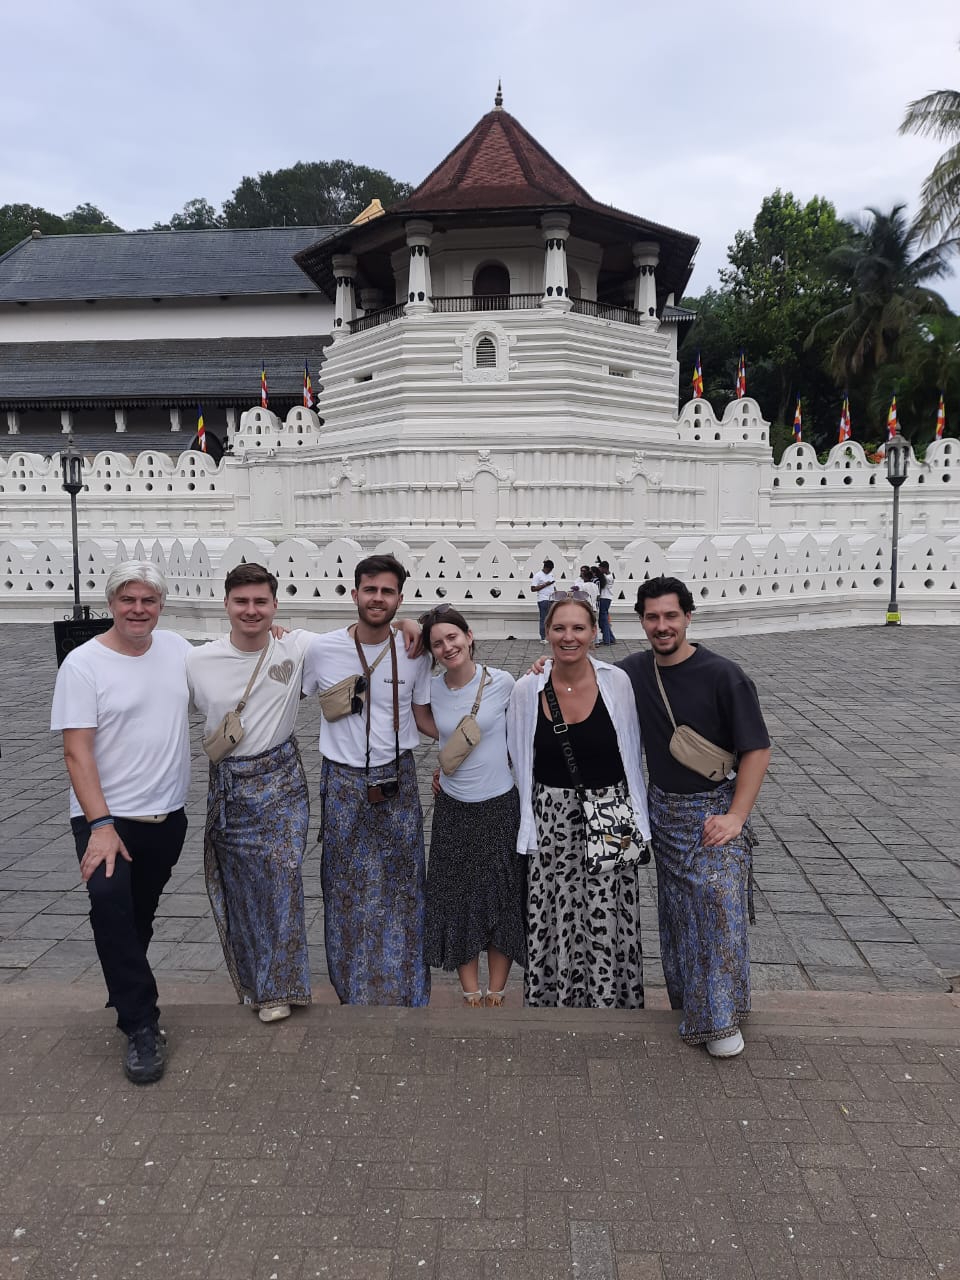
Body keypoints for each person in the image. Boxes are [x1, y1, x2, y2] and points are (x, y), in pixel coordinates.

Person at [50, 562, 191, 1085]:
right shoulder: (83, 665)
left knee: (137, 915)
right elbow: (75, 751)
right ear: (112, 603)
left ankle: (126, 987)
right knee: (110, 908)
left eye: (148, 601)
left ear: (160, 606)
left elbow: (232, 662)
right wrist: (101, 825)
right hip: (104, 818)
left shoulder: (177, 649)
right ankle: (140, 1025)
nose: (138, 610)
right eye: (128, 600)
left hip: (165, 814)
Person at [619, 576, 771, 1058]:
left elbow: (757, 750)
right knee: (680, 917)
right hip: (664, 811)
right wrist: (544, 666)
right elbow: (582, 676)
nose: (661, 626)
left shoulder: (724, 675)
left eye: (670, 616)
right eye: (652, 617)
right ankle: (699, 1006)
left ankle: (720, 1018)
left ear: (688, 616)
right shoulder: (635, 673)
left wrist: (736, 817)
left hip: (712, 812)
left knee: (720, 913)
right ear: (641, 621)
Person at [301, 555, 434, 1006]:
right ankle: (352, 992)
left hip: (397, 777)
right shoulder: (320, 649)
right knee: (344, 888)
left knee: (405, 886)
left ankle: (408, 991)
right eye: (370, 589)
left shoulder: (416, 652)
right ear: (354, 593)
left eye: (388, 591)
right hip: (341, 781)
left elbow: (427, 711)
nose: (378, 598)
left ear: (400, 598)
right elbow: (273, 659)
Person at [508, 594, 651, 1008]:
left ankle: (611, 1005)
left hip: (609, 818)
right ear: (546, 633)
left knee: (608, 915)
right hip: (550, 819)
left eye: (578, 628)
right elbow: (514, 753)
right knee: (554, 917)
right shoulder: (525, 690)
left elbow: (633, 749)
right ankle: (554, 1007)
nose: (568, 637)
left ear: (594, 632)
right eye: (559, 628)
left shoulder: (616, 682)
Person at [185, 563, 313, 1024]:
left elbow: (361, 639)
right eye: (242, 602)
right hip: (229, 791)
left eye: (261, 602)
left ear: (276, 605)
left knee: (281, 881)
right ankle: (258, 984)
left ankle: (281, 987)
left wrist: (406, 623)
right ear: (226, 605)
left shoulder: (296, 648)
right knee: (240, 891)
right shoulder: (197, 661)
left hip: (281, 786)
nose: (252, 610)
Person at [419, 605, 526, 1007]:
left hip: (500, 804)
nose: (448, 647)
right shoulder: (430, 689)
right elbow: (427, 723)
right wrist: (448, 760)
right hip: (454, 807)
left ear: (469, 636)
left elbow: (521, 729)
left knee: (501, 896)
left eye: (453, 637)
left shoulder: (503, 682)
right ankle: (469, 990)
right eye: (437, 643)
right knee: (456, 896)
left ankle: (497, 988)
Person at [530, 558, 556, 641]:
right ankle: (543, 637)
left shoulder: (551, 574)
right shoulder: (538, 575)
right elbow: (533, 589)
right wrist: (545, 584)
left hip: (552, 599)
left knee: (551, 619)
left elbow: (553, 586)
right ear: (547, 568)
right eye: (550, 569)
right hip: (543, 599)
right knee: (544, 618)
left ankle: (550, 635)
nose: (550, 571)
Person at [596, 560, 616, 646]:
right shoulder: (609, 575)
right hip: (607, 598)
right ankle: (610, 638)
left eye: (601, 568)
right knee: (604, 619)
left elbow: (601, 578)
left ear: (604, 568)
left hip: (605, 598)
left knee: (603, 620)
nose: (599, 570)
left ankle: (607, 639)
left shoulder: (607, 578)